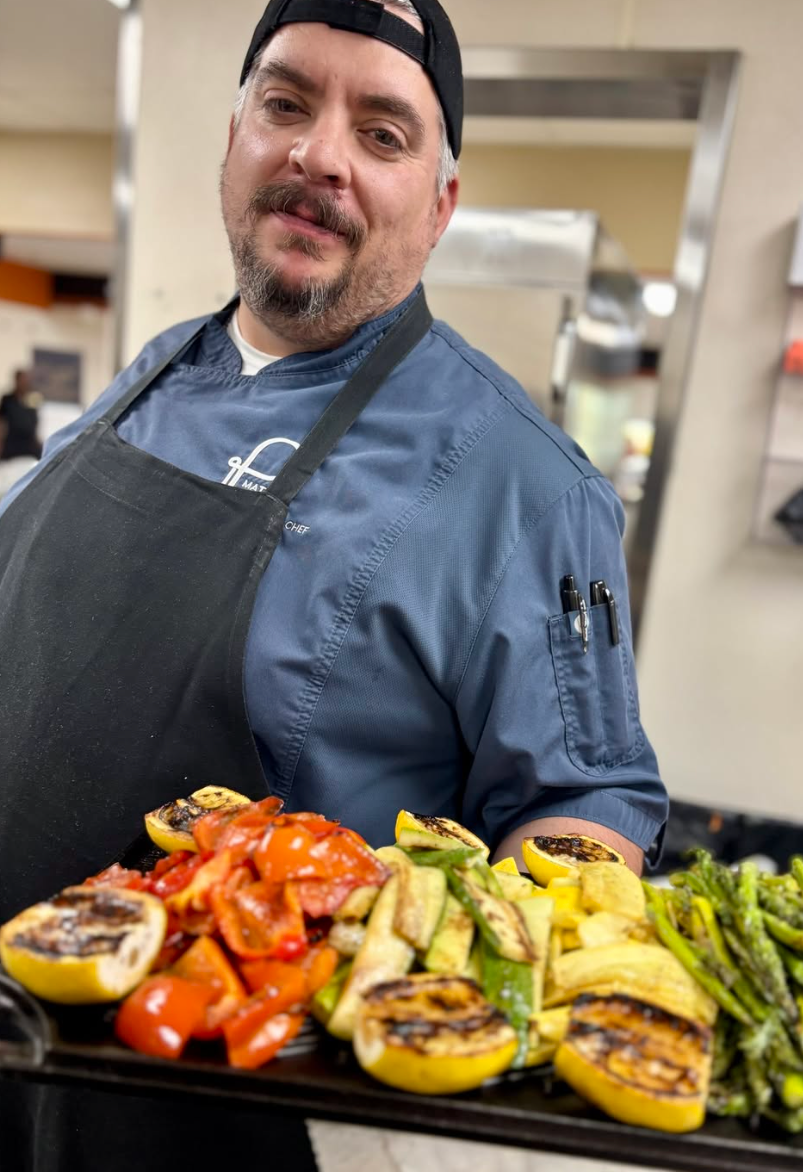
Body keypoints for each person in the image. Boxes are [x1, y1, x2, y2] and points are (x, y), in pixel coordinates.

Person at [0, 1, 667, 1168]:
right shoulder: (158, 370)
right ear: (236, 136)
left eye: (386, 132)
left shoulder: (526, 484)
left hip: (229, 1103)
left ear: (442, 203)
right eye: (288, 102)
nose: (319, 155)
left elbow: (589, 800)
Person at [0, 368, 42, 461]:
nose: (24, 383)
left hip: (29, 441)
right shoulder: (8, 399)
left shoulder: (32, 398)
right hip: (12, 441)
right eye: (22, 380)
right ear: (16, 381)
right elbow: (2, 421)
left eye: (26, 380)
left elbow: (35, 420)